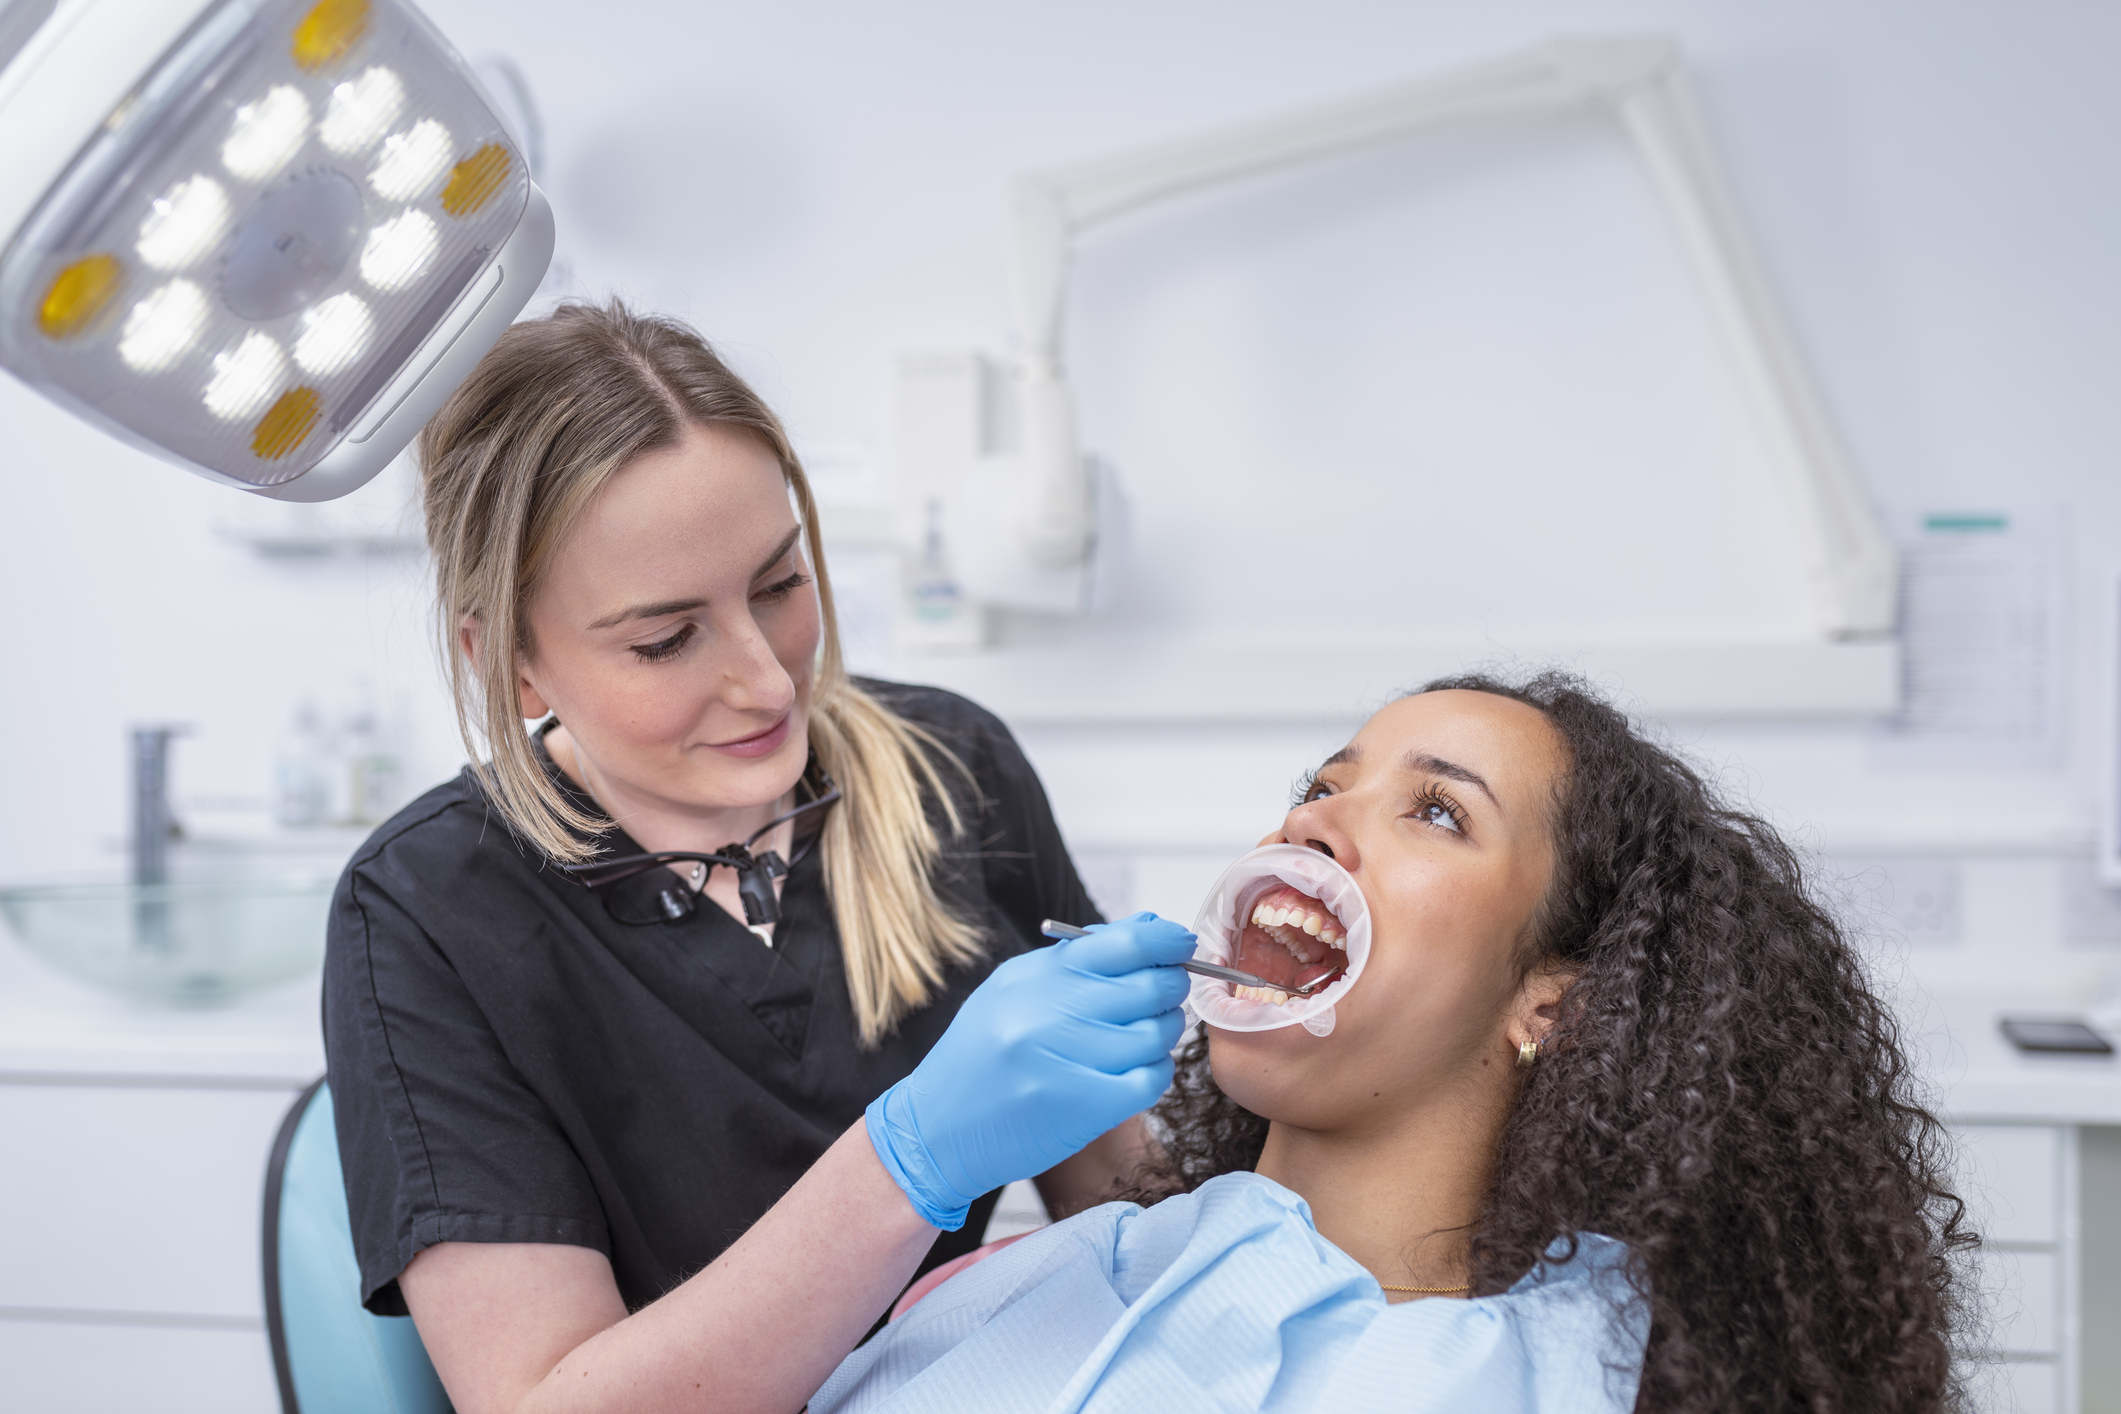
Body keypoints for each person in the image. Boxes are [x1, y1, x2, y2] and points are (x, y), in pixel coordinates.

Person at [322, 300, 1194, 1414]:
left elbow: (1134, 1217)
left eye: (780, 586)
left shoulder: (952, 771)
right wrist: (904, 1162)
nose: (771, 681)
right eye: (665, 637)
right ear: (511, 661)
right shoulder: (428, 913)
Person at [812, 672, 1973, 1414]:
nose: (1311, 818)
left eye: (1436, 811)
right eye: (1324, 785)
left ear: (1555, 1005)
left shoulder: (1583, 1377)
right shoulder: (1027, 1285)